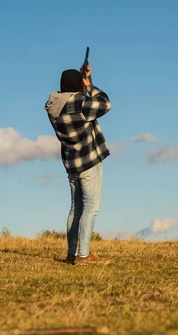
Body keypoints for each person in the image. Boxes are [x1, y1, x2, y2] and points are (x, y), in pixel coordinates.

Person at [44, 64, 112, 265]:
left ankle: (72, 253)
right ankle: (84, 255)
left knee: (76, 208)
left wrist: (81, 86)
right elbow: (105, 103)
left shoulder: (53, 106)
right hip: (88, 161)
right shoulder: (80, 103)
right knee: (91, 207)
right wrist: (89, 85)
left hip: (71, 163)